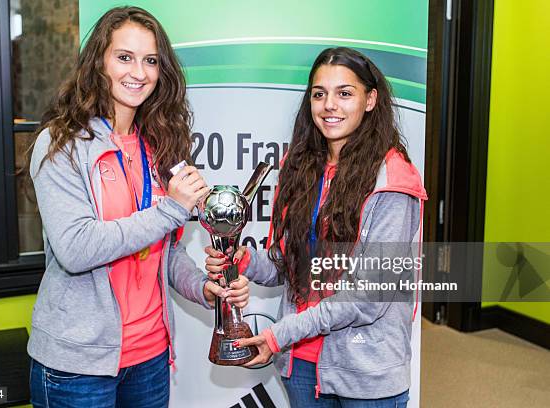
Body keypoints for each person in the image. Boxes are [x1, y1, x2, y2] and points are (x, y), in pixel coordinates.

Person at [27, 6, 249, 408]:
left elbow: (164, 250)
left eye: (150, 61)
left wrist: (203, 287)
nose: (139, 72)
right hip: (79, 367)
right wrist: (172, 208)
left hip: (150, 355)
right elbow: (77, 249)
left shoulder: (158, 146)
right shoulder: (60, 145)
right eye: (124, 57)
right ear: (99, 61)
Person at [205, 47, 427, 407]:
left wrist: (280, 334)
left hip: (364, 373)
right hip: (302, 365)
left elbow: (368, 299)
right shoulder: (300, 168)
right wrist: (244, 261)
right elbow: (288, 264)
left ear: (370, 100)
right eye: (319, 94)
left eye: (344, 93)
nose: (329, 105)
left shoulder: (393, 181)